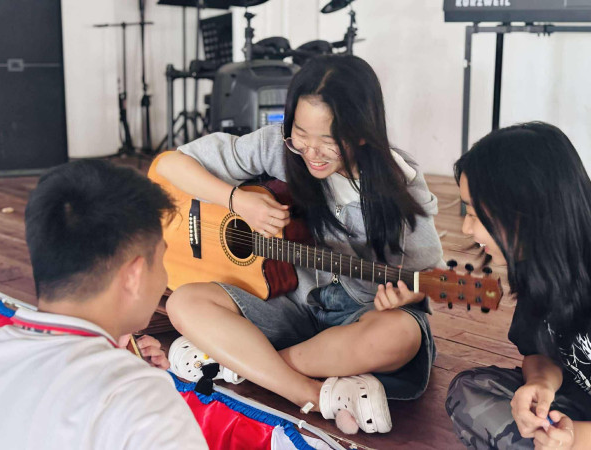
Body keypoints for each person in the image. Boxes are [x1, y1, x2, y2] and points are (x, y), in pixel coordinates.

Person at [157, 54, 444, 434]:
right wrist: (237, 201)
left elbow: (429, 274)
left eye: (328, 140)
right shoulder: (276, 145)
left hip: (358, 316)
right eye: (301, 135)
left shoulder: (399, 183)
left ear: (363, 132)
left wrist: (408, 295)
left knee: (401, 335)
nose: (311, 151)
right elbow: (170, 166)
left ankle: (244, 361)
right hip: (285, 303)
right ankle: (307, 390)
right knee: (183, 301)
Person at [0, 160, 208, 449]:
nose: (164, 278)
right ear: (134, 275)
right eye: (161, 260)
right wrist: (132, 377)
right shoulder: (143, 401)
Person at [446, 122, 591, 449]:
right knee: (470, 391)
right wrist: (540, 384)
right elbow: (540, 352)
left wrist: (574, 440)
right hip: (577, 407)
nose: (467, 228)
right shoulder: (540, 264)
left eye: (474, 213)